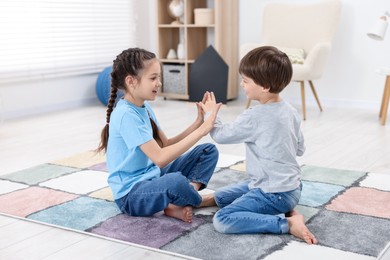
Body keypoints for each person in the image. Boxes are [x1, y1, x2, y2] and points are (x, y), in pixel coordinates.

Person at [200, 46, 318, 244]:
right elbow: (300, 149)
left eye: (245, 81)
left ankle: (288, 224)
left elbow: (220, 135)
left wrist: (211, 114)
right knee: (227, 193)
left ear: (264, 87)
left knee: (223, 219)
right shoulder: (291, 111)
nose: (242, 84)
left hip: (273, 193)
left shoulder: (254, 116)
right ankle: (202, 201)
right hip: (292, 188)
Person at [97, 47, 222, 223]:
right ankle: (195, 200)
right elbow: (161, 158)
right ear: (131, 81)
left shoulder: (144, 107)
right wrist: (203, 131)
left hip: (153, 175)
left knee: (208, 151)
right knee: (175, 182)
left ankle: (181, 200)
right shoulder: (126, 115)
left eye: (159, 77)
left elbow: (165, 145)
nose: (159, 83)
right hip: (131, 195)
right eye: (153, 78)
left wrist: (198, 124)